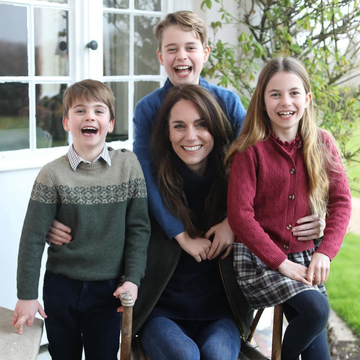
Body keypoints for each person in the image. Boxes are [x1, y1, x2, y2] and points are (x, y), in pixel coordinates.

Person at [46, 10, 324, 257]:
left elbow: (259, 167)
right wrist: (179, 234)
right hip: (170, 221)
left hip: (223, 218)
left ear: (205, 53)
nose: (181, 56)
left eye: (190, 47)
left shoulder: (228, 103)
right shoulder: (148, 109)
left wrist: (232, 223)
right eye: (172, 49)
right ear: (160, 56)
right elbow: (145, 177)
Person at [12, 79, 150, 360]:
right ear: (66, 123)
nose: (90, 116)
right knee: (63, 355)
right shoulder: (51, 175)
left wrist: (132, 279)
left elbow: (139, 228)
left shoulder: (128, 166)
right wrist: (26, 295)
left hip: (109, 290)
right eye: (80, 111)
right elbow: (33, 237)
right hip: (60, 286)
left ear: (110, 123)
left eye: (99, 111)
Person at [226, 57, 352, 360]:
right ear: (262, 100)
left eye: (294, 93)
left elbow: (341, 201)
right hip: (259, 260)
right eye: (275, 94)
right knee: (317, 308)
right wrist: (280, 261)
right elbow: (240, 216)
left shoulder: (322, 143)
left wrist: (324, 251)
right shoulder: (249, 150)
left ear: (307, 99)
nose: (286, 102)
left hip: (304, 256)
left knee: (318, 351)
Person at [133, 84, 251, 360]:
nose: (191, 136)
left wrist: (317, 225)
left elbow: (277, 205)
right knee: (184, 356)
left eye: (201, 124)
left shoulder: (235, 187)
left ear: (216, 128)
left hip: (220, 313)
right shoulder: (151, 188)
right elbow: (112, 219)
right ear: (167, 132)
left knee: (217, 356)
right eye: (179, 126)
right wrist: (60, 223)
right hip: (162, 313)